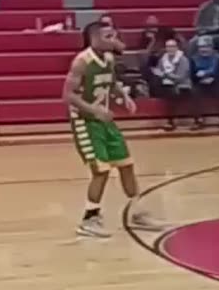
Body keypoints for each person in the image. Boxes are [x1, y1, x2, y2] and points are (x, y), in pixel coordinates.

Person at [65, 21, 162, 237]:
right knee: (101, 170)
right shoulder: (81, 62)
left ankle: (137, 213)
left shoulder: (108, 58)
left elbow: (111, 82)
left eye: (114, 35)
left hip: (105, 121)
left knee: (126, 165)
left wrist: (124, 96)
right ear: (95, 38)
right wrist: (94, 110)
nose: (114, 40)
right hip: (85, 121)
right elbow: (68, 95)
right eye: (108, 36)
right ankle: (89, 220)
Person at [150, 38, 193, 130]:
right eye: (168, 47)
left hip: (182, 86)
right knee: (157, 85)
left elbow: (181, 77)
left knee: (172, 93)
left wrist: (166, 75)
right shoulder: (163, 59)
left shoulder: (183, 60)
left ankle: (171, 121)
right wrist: (159, 74)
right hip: (167, 84)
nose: (170, 49)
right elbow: (159, 71)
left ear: (177, 47)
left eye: (172, 46)